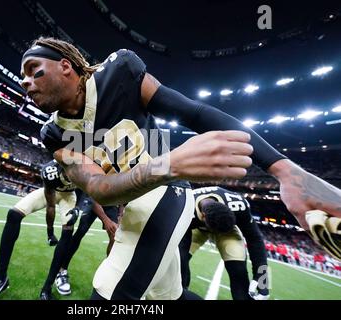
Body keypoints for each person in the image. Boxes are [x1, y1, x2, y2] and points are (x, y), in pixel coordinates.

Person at [20, 37, 341, 299]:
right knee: (168, 295)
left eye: (33, 70)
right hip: (141, 192)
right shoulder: (52, 133)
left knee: (111, 292)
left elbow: (195, 113)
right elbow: (96, 187)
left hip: (167, 191)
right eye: (23, 77)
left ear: (65, 66)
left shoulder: (119, 71)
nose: (25, 82)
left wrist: (286, 171)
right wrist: (165, 165)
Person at [0, 160, 77, 300]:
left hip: (70, 197)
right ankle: (0, 278)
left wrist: (79, 208)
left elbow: (90, 193)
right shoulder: (51, 171)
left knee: (68, 231)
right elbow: (51, 207)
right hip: (52, 192)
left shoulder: (86, 166)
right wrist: (50, 233)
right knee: (14, 214)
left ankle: (47, 288)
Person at [179, 186, 269, 300]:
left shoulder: (238, 204)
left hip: (228, 231)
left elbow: (255, 239)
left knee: (239, 272)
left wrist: (263, 278)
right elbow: (182, 249)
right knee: (179, 263)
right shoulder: (184, 207)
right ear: (203, 216)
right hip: (196, 228)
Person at [40, 189, 120, 300]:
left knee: (115, 236)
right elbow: (93, 192)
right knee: (81, 231)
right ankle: (62, 270)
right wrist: (106, 220)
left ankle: (109, 273)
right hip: (96, 198)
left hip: (113, 203)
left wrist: (120, 213)